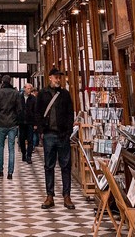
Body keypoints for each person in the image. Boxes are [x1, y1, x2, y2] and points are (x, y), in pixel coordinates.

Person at [36, 67, 76, 210]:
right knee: (49, 165)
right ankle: (50, 196)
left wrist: (69, 130)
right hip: (49, 134)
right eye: (56, 77)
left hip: (63, 135)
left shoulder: (65, 94)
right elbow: (38, 112)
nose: (58, 79)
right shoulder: (43, 94)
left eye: (60, 77)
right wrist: (41, 130)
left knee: (66, 165)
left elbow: (70, 112)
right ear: (50, 78)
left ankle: (67, 196)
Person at [0, 74, 20, 179]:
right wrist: (17, 121)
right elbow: (19, 109)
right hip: (12, 123)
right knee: (11, 148)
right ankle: (10, 172)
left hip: (1, 123)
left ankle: (0, 169)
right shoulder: (15, 93)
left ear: (3, 82)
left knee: (0, 146)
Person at [18, 82, 36, 163]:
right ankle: (23, 153)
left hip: (30, 121)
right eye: (28, 88)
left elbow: (36, 111)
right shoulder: (19, 97)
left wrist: (35, 123)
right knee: (21, 139)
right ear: (24, 88)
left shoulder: (33, 98)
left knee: (30, 139)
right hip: (21, 121)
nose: (29, 90)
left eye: (30, 89)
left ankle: (29, 156)